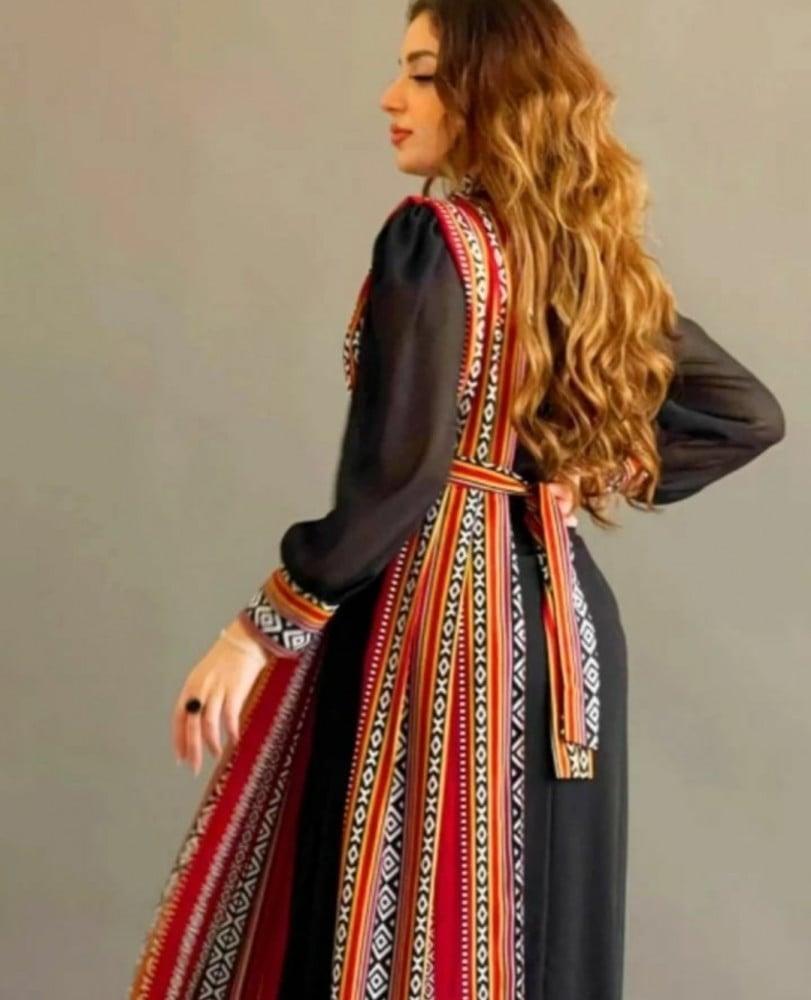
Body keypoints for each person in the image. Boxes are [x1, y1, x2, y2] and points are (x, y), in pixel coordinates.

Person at [130, 3, 786, 998]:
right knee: (544, 942)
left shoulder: (432, 239)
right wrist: (581, 470)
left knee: (407, 932)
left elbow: (400, 479)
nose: (391, 98)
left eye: (423, 72)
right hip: (567, 640)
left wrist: (257, 630)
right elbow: (748, 414)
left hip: (440, 632)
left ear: (490, 88)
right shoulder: (581, 258)